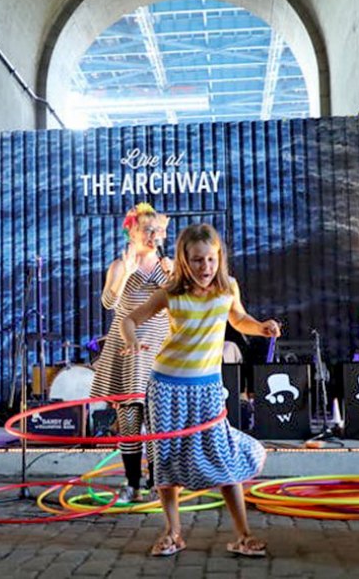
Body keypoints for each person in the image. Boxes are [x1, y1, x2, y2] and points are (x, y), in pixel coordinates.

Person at [120, 223, 281, 558]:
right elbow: (129, 320)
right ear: (183, 260)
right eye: (196, 261)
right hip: (166, 386)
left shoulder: (227, 289)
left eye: (210, 259)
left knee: (222, 457)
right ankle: (173, 533)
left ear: (218, 258)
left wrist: (262, 328)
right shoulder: (171, 293)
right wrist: (133, 342)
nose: (205, 268)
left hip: (207, 387)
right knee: (165, 461)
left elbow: (239, 320)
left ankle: (244, 535)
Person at [90, 202, 171, 503]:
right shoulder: (120, 265)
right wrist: (127, 272)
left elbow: (181, 302)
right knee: (129, 417)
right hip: (127, 348)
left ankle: (155, 481)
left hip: (159, 348)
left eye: (159, 231)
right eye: (148, 231)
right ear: (132, 232)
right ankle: (132, 482)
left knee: (157, 418)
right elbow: (109, 303)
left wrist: (173, 274)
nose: (154, 236)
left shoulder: (168, 265)